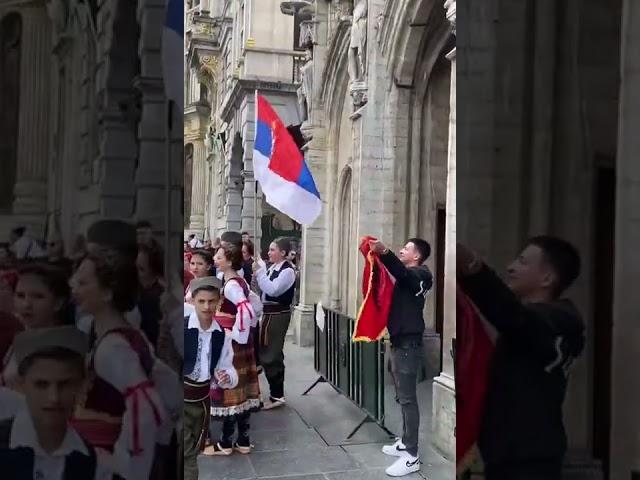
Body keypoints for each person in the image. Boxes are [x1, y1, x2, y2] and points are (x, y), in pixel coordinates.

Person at [457, 237, 584, 480]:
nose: (511, 267)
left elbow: (511, 315)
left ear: (547, 279)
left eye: (523, 262)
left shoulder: (560, 321)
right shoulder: (534, 326)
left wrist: (473, 266)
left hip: (528, 459)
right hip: (507, 454)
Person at [69, 249, 167, 479]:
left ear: (107, 292)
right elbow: (167, 387)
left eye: (83, 282)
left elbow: (146, 408)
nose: (73, 285)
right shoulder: (127, 336)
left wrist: (123, 466)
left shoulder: (112, 348)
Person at [0, 326, 112, 479]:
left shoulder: (94, 465)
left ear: (81, 385)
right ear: (22, 384)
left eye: (64, 384)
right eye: (41, 385)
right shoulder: (5, 444)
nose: (54, 397)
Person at [368, 237, 433, 477]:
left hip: (408, 345)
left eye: (406, 248)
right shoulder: (408, 275)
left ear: (417, 256)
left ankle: (412, 456)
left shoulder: (422, 275)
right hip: (398, 341)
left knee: (407, 399)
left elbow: (403, 275)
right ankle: (405, 442)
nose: (401, 250)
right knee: (401, 396)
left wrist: (384, 252)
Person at [205, 240, 260, 455]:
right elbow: (256, 305)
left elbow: (246, 308)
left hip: (231, 343)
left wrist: (235, 333)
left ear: (228, 261)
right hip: (238, 342)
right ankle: (243, 440)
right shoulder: (236, 280)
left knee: (231, 390)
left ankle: (226, 443)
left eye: (219, 257)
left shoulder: (231, 285)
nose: (215, 260)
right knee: (241, 390)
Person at [183, 276, 237, 480]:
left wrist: (225, 377)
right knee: (187, 456)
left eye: (211, 301)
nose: (207, 306)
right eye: (201, 301)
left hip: (201, 404)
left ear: (219, 301)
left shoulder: (223, 335)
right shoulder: (180, 328)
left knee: (192, 452)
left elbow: (228, 369)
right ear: (192, 301)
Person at [2, 264, 74, 389]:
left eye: (37, 296)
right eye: (20, 295)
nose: (26, 304)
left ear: (58, 303)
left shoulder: (59, 349)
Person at [252, 237, 297, 410]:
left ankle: (277, 395)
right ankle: (273, 393)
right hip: (268, 313)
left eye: (272, 249)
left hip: (278, 314)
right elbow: (264, 292)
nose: (269, 253)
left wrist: (261, 274)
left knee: (272, 354)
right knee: (265, 350)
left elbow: (273, 290)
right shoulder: (273, 268)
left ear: (283, 253)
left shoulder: (288, 271)